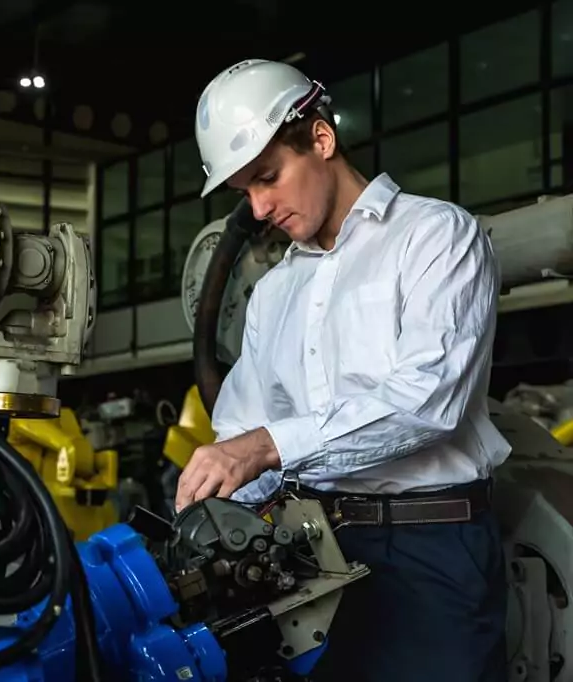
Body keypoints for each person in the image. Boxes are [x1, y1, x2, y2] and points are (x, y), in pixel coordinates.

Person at [177, 59, 509, 682]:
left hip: (432, 552)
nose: (260, 205)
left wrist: (266, 447)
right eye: (244, 192)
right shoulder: (274, 293)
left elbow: (428, 399)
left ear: (321, 139)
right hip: (313, 556)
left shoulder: (436, 237)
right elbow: (244, 428)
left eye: (269, 177)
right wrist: (205, 520)